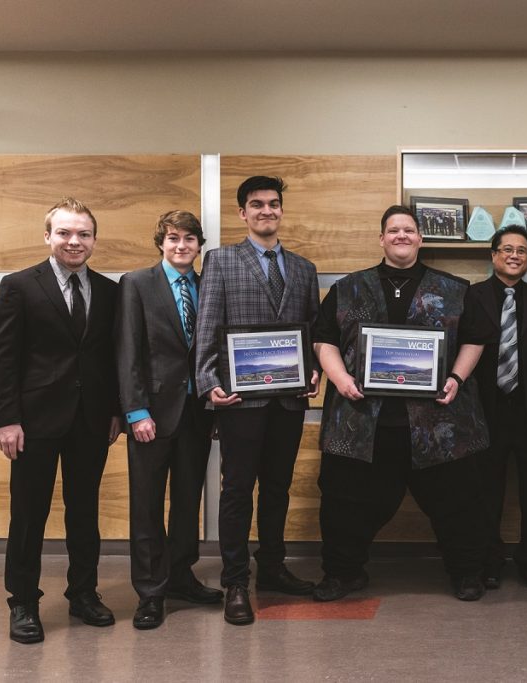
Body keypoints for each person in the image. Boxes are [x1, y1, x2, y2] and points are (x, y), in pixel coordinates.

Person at [314, 205, 491, 602]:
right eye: (393, 230)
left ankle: (466, 573)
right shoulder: (347, 288)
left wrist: (456, 378)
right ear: (381, 239)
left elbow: (474, 339)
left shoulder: (455, 288)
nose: (401, 236)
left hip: (438, 420)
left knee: (459, 502)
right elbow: (323, 339)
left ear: (420, 238)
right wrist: (340, 379)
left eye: (408, 230)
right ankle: (342, 574)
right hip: (361, 419)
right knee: (345, 503)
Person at [0, 198, 122, 644]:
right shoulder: (18, 286)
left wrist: (117, 411)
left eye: (83, 234)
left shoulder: (109, 291)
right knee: (29, 514)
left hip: (91, 422)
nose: (74, 241)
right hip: (34, 422)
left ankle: (83, 593)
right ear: (48, 236)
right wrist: (6, 420)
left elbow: (113, 358)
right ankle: (23, 601)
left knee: (84, 513)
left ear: (94, 240)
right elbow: (3, 358)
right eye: (65, 233)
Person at [195, 176, 320, 626]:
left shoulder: (304, 269)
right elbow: (208, 327)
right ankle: (234, 581)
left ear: (281, 210)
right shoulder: (221, 261)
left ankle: (271, 567)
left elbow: (313, 333)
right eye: (256, 205)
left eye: (273, 204)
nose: (266, 211)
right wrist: (209, 383)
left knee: (277, 489)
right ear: (242, 213)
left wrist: (314, 370)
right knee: (236, 491)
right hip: (239, 401)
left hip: (288, 400)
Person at [116, 210, 221, 630]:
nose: (181, 246)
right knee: (146, 505)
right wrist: (135, 411)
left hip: (197, 415)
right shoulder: (136, 284)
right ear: (161, 242)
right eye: (174, 238)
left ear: (200, 245)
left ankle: (180, 575)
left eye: (190, 239)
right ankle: (149, 590)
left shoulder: (207, 286)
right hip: (151, 415)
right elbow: (127, 352)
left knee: (185, 504)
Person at [460, 224, 527, 590]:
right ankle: (489, 560)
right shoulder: (470, 298)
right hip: (485, 412)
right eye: (506, 249)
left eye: (521, 250)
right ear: (493, 256)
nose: (514, 255)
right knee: (486, 493)